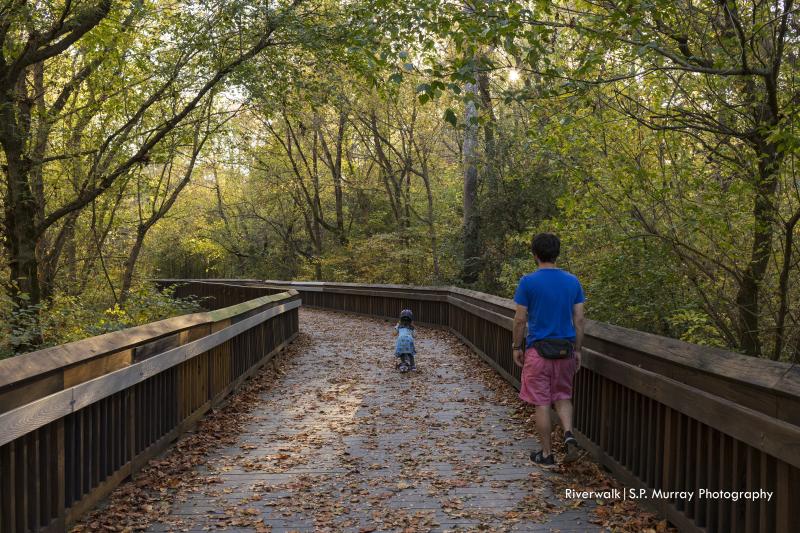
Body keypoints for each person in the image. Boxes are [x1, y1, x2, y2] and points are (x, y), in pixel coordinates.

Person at [512, 232, 585, 466]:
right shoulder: (572, 281)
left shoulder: (528, 282)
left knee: (542, 402)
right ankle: (568, 433)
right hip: (565, 351)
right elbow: (580, 320)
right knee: (563, 396)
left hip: (538, 352)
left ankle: (546, 454)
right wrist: (579, 350)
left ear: (535, 255)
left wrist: (516, 346)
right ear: (557, 253)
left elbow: (520, 320)